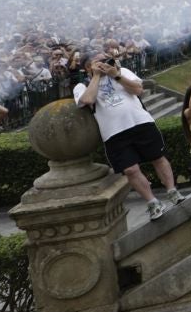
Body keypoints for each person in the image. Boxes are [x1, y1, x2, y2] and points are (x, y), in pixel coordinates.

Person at [74, 52, 182, 220]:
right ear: (88, 67)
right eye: (99, 61)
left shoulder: (122, 72)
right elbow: (88, 100)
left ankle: (172, 191)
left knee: (158, 157)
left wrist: (116, 75)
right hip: (113, 133)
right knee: (130, 169)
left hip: (141, 123)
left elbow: (138, 89)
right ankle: (152, 202)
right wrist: (96, 76)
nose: (105, 62)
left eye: (106, 59)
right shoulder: (82, 86)